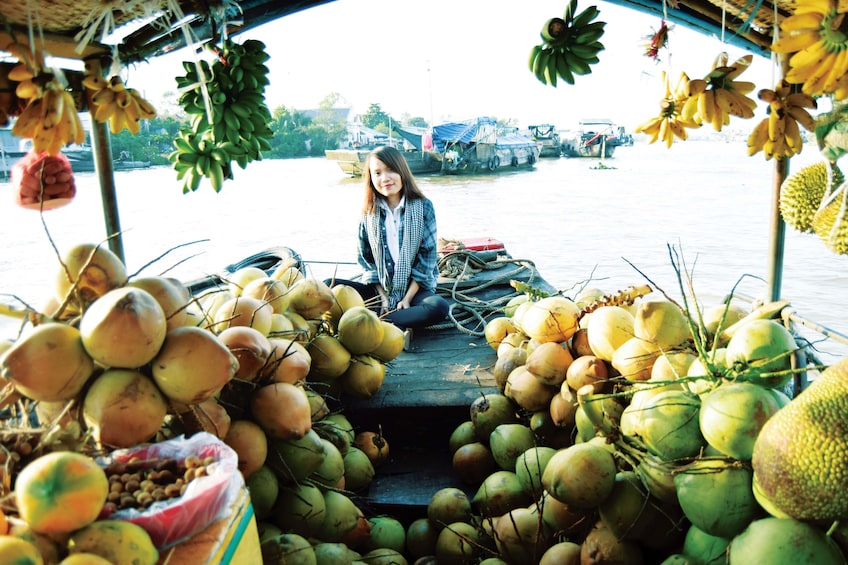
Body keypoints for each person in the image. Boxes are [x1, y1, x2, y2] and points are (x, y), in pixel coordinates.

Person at [329, 145, 449, 331]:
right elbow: (366, 260)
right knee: (327, 286)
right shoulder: (368, 213)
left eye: (391, 170)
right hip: (379, 290)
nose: (385, 178)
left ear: (402, 172)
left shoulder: (423, 207)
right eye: (377, 173)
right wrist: (383, 297)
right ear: (371, 178)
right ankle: (388, 318)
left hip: (414, 290)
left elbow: (427, 259)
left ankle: (373, 321)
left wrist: (406, 299)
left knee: (438, 307)